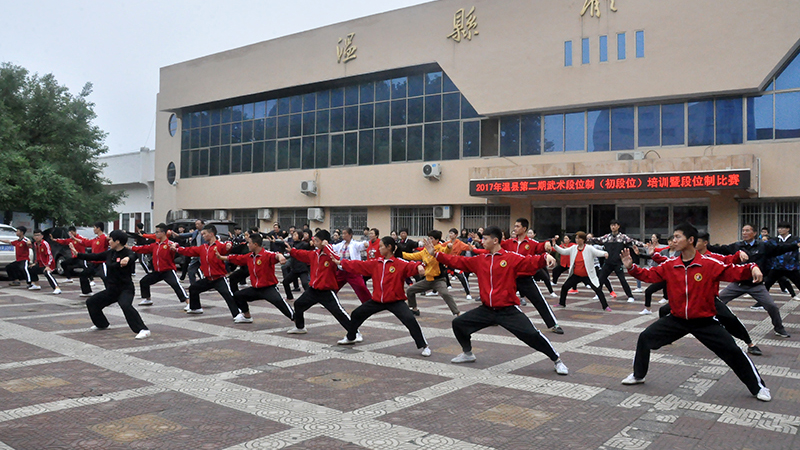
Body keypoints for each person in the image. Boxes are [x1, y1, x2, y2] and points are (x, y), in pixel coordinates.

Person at [619, 223, 770, 402]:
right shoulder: (671, 265)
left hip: (704, 321)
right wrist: (631, 267)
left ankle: (758, 387)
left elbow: (733, 271)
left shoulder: (708, 263)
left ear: (690, 240)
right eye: (673, 237)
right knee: (645, 338)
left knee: (733, 351)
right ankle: (638, 375)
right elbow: (649, 275)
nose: (673, 240)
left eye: (677, 237)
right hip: (677, 319)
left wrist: (752, 266)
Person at [424, 226, 569, 375]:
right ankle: (468, 353)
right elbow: (458, 261)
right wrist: (436, 255)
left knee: (532, 335)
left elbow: (530, 261)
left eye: (485, 238)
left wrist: (546, 257)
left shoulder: (510, 258)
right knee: (458, 324)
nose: (482, 241)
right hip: (487, 310)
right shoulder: (480, 260)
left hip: (508, 310)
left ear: (495, 240)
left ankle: (557, 360)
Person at [334, 236, 431, 356]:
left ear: (389, 247)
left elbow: (411, 265)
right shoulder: (376, 263)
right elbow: (359, 265)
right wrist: (342, 263)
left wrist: (419, 266)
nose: (379, 249)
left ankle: (424, 346)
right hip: (377, 300)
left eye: (381, 246)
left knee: (410, 320)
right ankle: (351, 337)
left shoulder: (399, 263)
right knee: (356, 314)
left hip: (395, 300)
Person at [710, 224, 799, 338]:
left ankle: (779, 328)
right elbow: (721, 249)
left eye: (747, 231)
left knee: (772, 307)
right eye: (743, 231)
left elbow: (780, 249)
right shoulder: (737, 246)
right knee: (717, 301)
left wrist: (796, 245)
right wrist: (705, 246)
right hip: (738, 284)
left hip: (756, 285)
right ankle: (713, 325)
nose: (744, 233)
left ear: (755, 233)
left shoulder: (763, 246)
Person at [71, 230, 150, 339]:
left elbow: (133, 255)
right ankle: (102, 324)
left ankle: (143, 329)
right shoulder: (110, 253)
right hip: (112, 290)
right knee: (91, 302)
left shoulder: (127, 253)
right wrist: (77, 254)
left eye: (111, 240)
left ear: (117, 241)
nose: (109, 242)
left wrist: (127, 259)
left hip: (125, 289)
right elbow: (94, 256)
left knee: (125, 305)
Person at [285, 229, 356, 338]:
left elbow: (337, 258)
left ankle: (354, 332)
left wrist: (327, 246)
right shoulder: (315, 254)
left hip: (327, 291)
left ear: (324, 241)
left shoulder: (330, 253)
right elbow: (303, 254)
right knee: (298, 304)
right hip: (313, 290)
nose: (315, 243)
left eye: (317, 241)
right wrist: (292, 251)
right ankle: (300, 327)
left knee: (338, 312)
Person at [500, 219, 562, 334]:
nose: (515, 228)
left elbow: (542, 247)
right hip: (510, 278)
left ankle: (553, 324)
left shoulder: (531, 244)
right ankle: (492, 319)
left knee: (539, 301)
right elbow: (495, 246)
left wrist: (548, 245)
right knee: (498, 298)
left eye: (518, 226)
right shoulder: (509, 243)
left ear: (524, 228)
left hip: (526, 278)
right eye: (515, 226)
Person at [216, 233, 294, 323]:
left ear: (255, 244)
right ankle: (247, 316)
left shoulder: (266, 254)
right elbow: (237, 258)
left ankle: (297, 321)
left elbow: (275, 255)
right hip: (256, 289)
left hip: (269, 288)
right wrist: (221, 257)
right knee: (238, 296)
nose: (248, 245)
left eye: (249, 243)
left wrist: (280, 257)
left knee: (281, 304)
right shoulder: (250, 256)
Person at [170, 224, 237, 316]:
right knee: (193, 288)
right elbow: (189, 250)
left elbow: (226, 247)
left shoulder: (219, 245)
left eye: (204, 234)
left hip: (219, 278)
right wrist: (177, 249)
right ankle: (195, 308)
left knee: (228, 295)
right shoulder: (203, 247)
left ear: (211, 234)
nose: (203, 236)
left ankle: (237, 314)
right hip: (208, 279)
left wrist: (229, 244)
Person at [130, 223, 188, 307]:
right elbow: (144, 248)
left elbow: (177, 246)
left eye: (157, 232)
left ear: (163, 233)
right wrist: (130, 248)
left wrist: (175, 245)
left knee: (176, 285)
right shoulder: (156, 245)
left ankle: (189, 303)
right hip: (157, 271)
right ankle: (147, 299)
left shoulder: (169, 243)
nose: (155, 234)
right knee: (144, 281)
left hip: (168, 270)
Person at [403, 230, 460, 316]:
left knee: (445, 293)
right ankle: (414, 308)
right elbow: (412, 256)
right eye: (429, 238)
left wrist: (449, 247)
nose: (429, 240)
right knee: (410, 290)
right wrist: (399, 253)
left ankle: (457, 313)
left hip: (439, 280)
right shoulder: (425, 251)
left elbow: (446, 251)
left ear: (437, 240)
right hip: (428, 280)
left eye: (432, 238)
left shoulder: (440, 248)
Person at [589, 219, 645, 303]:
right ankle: (598, 294)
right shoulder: (607, 237)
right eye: (611, 225)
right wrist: (586, 239)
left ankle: (630, 296)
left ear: (618, 226)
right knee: (601, 278)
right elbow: (597, 240)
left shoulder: (622, 237)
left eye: (615, 225)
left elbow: (633, 241)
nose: (613, 227)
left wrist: (643, 244)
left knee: (622, 279)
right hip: (608, 262)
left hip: (617, 262)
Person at [551, 231, 609, 310]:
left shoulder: (589, 248)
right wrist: (555, 245)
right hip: (576, 275)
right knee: (565, 287)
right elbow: (564, 252)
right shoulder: (574, 248)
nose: (576, 240)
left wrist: (605, 254)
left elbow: (597, 252)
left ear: (583, 240)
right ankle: (562, 303)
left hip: (587, 275)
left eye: (578, 238)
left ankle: (605, 306)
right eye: (576, 238)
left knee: (598, 289)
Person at [331, 227, 373, 303]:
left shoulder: (354, 244)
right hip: (342, 271)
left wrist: (365, 244)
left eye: (345, 233)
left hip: (353, 271)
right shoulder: (340, 244)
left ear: (350, 235)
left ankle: (369, 303)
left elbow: (361, 245)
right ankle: (328, 300)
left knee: (361, 287)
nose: (343, 235)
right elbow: (332, 247)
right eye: (342, 234)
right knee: (334, 285)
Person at [763, 221, 800, 299]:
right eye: (779, 228)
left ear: (788, 229)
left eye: (782, 228)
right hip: (777, 267)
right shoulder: (774, 240)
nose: (780, 230)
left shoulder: (796, 239)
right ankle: (760, 303)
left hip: (791, 267)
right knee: (767, 284)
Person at [73, 222, 109, 297]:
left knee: (105, 278)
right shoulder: (95, 239)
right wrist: (74, 238)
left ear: (99, 228)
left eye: (94, 227)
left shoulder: (104, 238)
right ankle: (86, 292)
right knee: (83, 275)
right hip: (93, 263)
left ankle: (112, 292)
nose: (94, 229)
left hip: (101, 263)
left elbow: (109, 240)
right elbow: (85, 242)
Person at [27, 229, 61, 294]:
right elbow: (37, 254)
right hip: (40, 264)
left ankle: (57, 288)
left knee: (47, 273)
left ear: (42, 236)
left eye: (38, 235)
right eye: (35, 235)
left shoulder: (45, 244)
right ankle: (36, 284)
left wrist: (48, 266)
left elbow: (49, 255)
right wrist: (35, 263)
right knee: (31, 268)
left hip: (49, 264)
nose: (36, 237)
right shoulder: (35, 244)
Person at [283, 230, 311, 300]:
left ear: (300, 236)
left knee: (305, 284)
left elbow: (308, 246)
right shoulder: (292, 244)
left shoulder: (303, 244)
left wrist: (311, 243)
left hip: (302, 269)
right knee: (285, 282)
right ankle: (289, 297)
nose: (293, 236)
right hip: (294, 270)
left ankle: (311, 297)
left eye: (295, 235)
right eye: (293, 235)